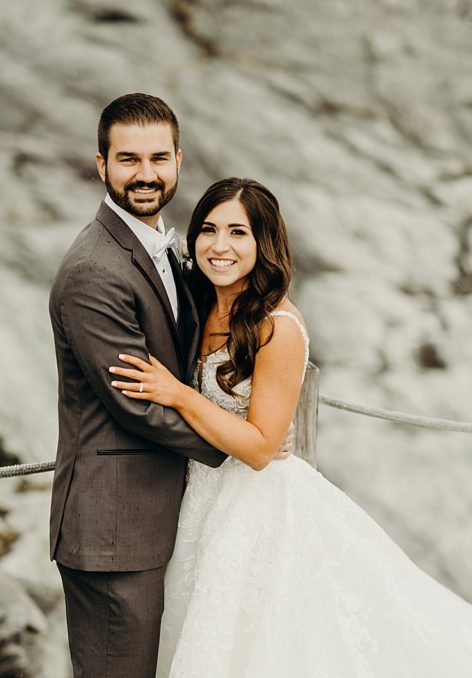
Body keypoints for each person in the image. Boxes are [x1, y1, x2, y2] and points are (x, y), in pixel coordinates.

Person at [108, 177, 472, 677]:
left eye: (238, 233)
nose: (219, 246)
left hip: (255, 509)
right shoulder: (200, 304)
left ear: (264, 243)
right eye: (208, 230)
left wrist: (177, 393)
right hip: (198, 500)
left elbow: (260, 449)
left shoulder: (278, 326)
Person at [47, 93, 229, 678]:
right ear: (102, 165)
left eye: (158, 158)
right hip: (114, 529)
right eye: (128, 160)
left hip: (157, 513)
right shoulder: (93, 269)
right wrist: (239, 443)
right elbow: (136, 405)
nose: (145, 174)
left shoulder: (161, 249)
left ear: (179, 160)